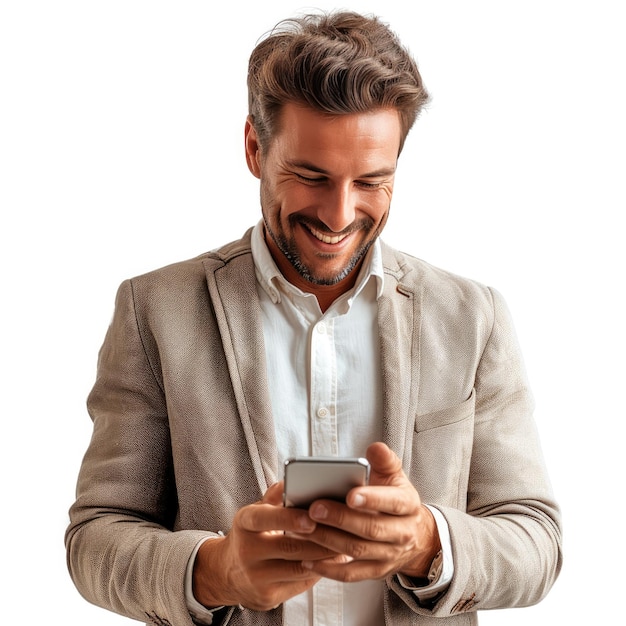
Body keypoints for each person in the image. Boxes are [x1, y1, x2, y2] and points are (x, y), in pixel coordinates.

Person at [65, 10, 562, 626]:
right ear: (254, 146)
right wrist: (219, 571)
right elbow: (95, 538)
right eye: (311, 177)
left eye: (372, 182)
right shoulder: (154, 312)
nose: (339, 215)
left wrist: (428, 543)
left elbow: (537, 541)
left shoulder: (471, 317)